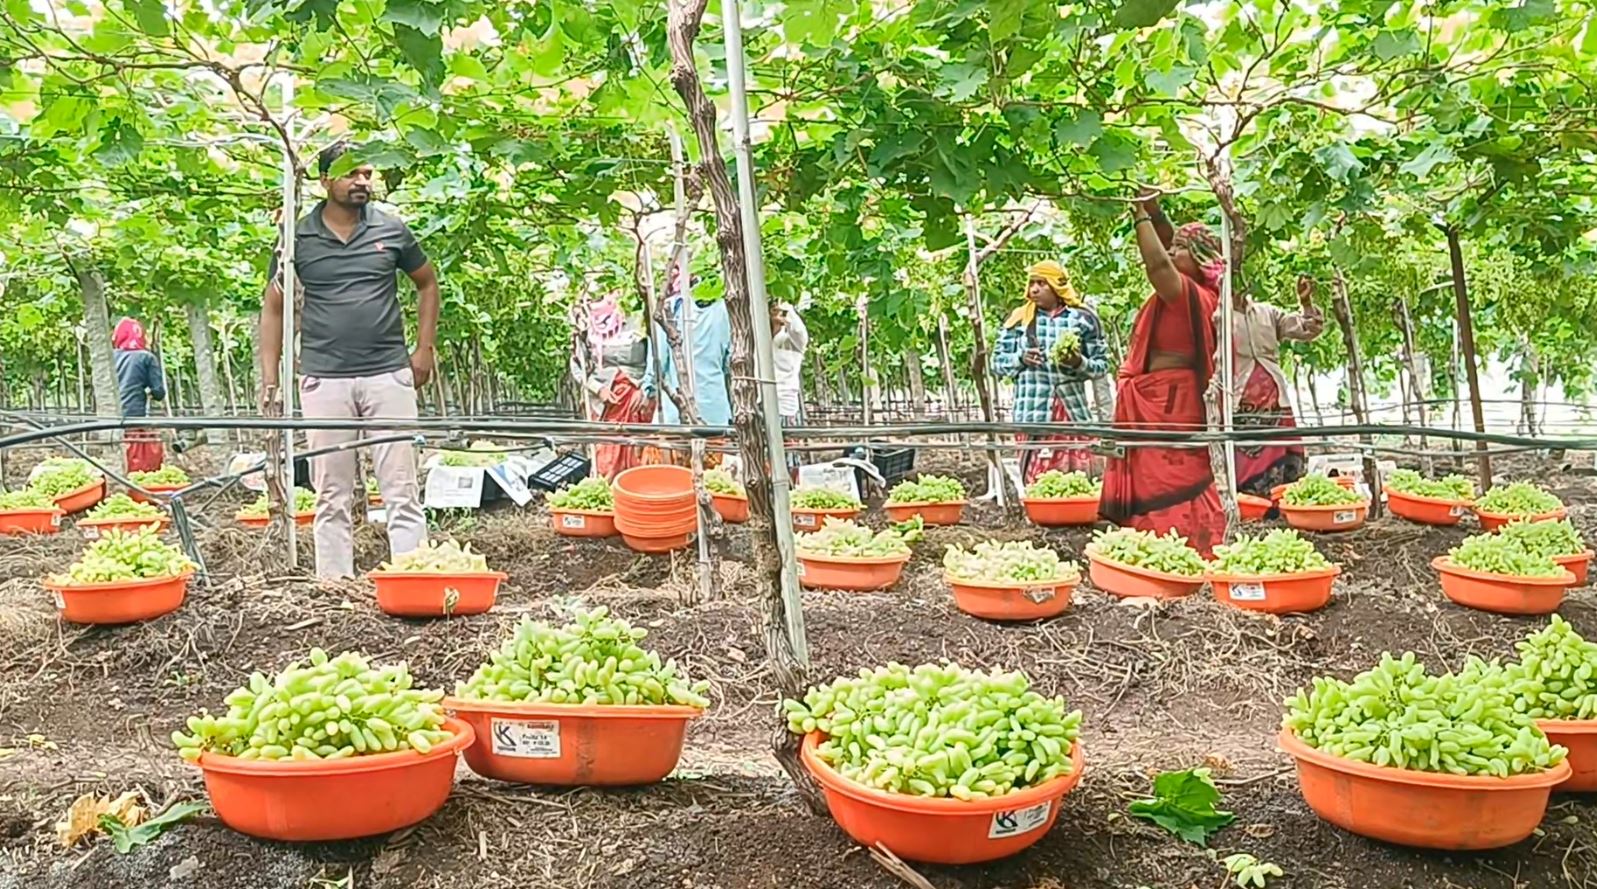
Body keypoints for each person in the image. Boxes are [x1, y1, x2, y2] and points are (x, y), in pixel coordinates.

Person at [260, 142, 436, 580]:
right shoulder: (297, 239)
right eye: (350, 173)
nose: (362, 182)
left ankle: (413, 579)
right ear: (324, 181)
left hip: (388, 375)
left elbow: (427, 283)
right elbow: (274, 306)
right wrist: (271, 379)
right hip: (324, 378)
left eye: (367, 174)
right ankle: (334, 586)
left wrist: (423, 349)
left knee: (401, 487)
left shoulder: (391, 229)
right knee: (330, 491)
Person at [1101, 192, 1226, 556]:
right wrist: (1155, 211)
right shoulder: (1193, 290)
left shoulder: (1190, 293)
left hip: (1171, 403)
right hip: (1159, 397)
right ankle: (1152, 543)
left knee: (1169, 473)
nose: (1172, 252)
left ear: (1199, 259)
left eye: (1181, 250)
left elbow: (1157, 266)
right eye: (1172, 247)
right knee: (1153, 468)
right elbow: (1172, 251)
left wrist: (1139, 217)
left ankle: (1176, 545)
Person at [992, 261, 1109, 484]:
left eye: (1041, 283)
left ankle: (1078, 516)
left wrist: (1078, 362)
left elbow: (1101, 365)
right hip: (1032, 415)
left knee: (1079, 480)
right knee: (1038, 481)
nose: (1033, 290)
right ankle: (1042, 516)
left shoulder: (1083, 319)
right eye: (1031, 283)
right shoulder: (1019, 320)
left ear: (1057, 286)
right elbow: (997, 363)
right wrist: (1021, 358)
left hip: (1071, 414)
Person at [1223, 275, 1325, 496]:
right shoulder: (1218, 316)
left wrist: (1306, 303)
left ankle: (1284, 508)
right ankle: (1254, 511)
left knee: (1286, 462)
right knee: (1249, 466)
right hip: (1241, 406)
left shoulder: (1266, 312)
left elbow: (1308, 329)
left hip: (1277, 401)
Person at [641, 272, 732, 428]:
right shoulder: (726, 310)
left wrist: (648, 391)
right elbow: (729, 363)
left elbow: (658, 363)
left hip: (676, 410)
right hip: (715, 408)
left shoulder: (669, 309)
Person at [581, 293, 655, 478]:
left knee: (639, 451)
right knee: (606, 455)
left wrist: (646, 387)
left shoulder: (639, 318)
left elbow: (656, 356)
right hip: (604, 404)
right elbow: (578, 365)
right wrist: (598, 388)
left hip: (637, 398)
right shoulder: (586, 324)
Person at [112, 317, 166, 472]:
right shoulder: (146, 357)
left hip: (108, 415)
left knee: (119, 454)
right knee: (138, 461)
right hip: (135, 416)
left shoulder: (109, 356)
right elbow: (158, 392)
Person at [771, 301, 809, 475]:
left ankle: (789, 494)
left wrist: (786, 310)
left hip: (785, 406)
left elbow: (799, 331)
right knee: (766, 456)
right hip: (761, 404)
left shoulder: (791, 340)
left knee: (787, 456)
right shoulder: (756, 339)